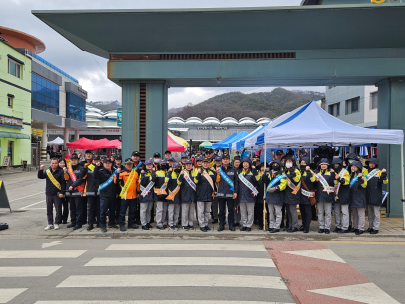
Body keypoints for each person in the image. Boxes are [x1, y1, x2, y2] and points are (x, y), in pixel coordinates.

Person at [38, 158, 66, 230]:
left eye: (55, 163)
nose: (54, 165)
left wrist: (62, 192)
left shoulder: (60, 172)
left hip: (57, 193)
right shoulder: (47, 171)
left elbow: (63, 184)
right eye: (52, 163)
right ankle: (50, 223)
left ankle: (57, 223)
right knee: (49, 210)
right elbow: (40, 176)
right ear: (50, 164)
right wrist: (41, 170)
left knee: (58, 209)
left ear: (58, 164)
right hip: (48, 193)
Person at [94, 157, 120, 233]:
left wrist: (117, 192)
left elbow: (117, 183)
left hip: (113, 195)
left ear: (111, 164)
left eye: (109, 163)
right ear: (104, 164)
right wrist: (96, 167)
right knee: (103, 212)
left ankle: (111, 223)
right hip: (104, 195)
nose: (108, 164)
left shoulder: (114, 171)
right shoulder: (101, 171)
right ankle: (103, 226)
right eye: (106, 163)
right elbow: (95, 176)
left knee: (112, 211)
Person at [365, 157, 388, 235]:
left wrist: (384, 174)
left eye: (373, 163)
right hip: (368, 195)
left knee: (376, 213)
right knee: (370, 213)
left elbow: (385, 182)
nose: (371, 165)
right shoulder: (365, 172)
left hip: (376, 195)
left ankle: (376, 228)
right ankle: (370, 227)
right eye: (370, 163)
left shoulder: (379, 172)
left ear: (376, 164)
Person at [216, 152, 239, 231]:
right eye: (224, 159)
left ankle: (231, 225)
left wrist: (235, 192)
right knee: (221, 211)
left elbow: (236, 182)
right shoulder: (218, 169)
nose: (225, 161)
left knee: (231, 210)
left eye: (227, 159)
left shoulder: (233, 169)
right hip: (221, 193)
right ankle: (221, 224)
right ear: (222, 160)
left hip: (230, 193)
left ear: (229, 160)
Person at [262, 160, 287, 233]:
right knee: (271, 212)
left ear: (279, 166)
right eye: (274, 164)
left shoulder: (282, 174)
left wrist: (276, 188)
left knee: (278, 213)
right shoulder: (269, 173)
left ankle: (277, 227)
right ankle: (271, 226)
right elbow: (264, 180)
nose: (275, 165)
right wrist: (265, 173)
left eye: (277, 164)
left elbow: (283, 185)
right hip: (269, 195)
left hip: (278, 196)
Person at [65, 153, 87, 230]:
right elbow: (66, 179)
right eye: (72, 160)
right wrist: (64, 173)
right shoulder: (68, 169)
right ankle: (73, 222)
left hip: (78, 191)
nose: (73, 161)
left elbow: (81, 179)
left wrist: (73, 186)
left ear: (78, 160)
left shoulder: (81, 168)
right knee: (72, 208)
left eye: (75, 160)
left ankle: (79, 223)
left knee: (79, 208)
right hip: (70, 191)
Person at [237, 157, 260, 232]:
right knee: (243, 211)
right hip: (241, 195)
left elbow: (258, 179)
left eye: (247, 163)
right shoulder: (240, 172)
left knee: (250, 212)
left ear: (250, 164)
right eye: (244, 163)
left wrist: (254, 170)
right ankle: (244, 224)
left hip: (250, 195)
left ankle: (249, 225)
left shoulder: (253, 172)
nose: (245, 164)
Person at [117, 158, 140, 231]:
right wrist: (117, 174)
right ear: (125, 164)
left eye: (130, 164)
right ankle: (122, 224)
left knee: (132, 210)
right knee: (123, 211)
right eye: (128, 164)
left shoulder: (135, 173)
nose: (129, 165)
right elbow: (117, 182)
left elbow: (138, 184)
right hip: (125, 195)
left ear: (132, 164)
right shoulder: (122, 173)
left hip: (133, 195)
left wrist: (138, 192)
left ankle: (131, 223)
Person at [196, 157, 217, 232]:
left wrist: (214, 172)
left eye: (207, 163)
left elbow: (215, 181)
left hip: (209, 194)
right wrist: (199, 173)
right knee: (201, 211)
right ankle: (202, 225)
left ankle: (205, 224)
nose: (205, 164)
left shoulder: (212, 171)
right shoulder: (198, 171)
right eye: (204, 163)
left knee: (207, 211)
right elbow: (196, 181)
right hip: (201, 194)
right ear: (202, 164)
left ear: (209, 163)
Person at [314, 158, 335, 234]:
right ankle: (321, 227)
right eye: (322, 164)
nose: (323, 166)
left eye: (325, 164)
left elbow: (333, 184)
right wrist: (315, 181)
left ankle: (327, 227)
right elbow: (313, 185)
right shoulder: (316, 173)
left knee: (328, 213)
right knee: (320, 212)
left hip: (328, 195)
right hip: (319, 195)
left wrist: (333, 174)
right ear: (319, 165)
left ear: (327, 165)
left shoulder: (331, 172)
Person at [332, 158, 351, 233]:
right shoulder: (333, 172)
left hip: (344, 194)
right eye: (334, 165)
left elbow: (346, 182)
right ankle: (338, 226)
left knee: (344, 212)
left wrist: (339, 178)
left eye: (337, 164)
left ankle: (345, 227)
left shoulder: (345, 172)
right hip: (336, 195)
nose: (336, 166)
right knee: (336, 212)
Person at [178, 159, 199, 229]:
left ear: (192, 165)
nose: (188, 166)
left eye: (190, 164)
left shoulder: (194, 172)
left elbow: (196, 181)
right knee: (185, 212)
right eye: (187, 165)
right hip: (185, 195)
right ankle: (185, 224)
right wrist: (181, 175)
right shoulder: (182, 173)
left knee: (191, 212)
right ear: (185, 166)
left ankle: (190, 224)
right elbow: (178, 182)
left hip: (193, 195)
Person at [349, 161, 368, 235]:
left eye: (355, 167)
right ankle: (356, 227)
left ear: (358, 168)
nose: (353, 168)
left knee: (361, 214)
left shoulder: (363, 176)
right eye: (352, 166)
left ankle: (361, 228)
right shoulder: (350, 175)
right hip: (352, 197)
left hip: (360, 197)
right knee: (354, 214)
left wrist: (360, 179)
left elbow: (364, 185)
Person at [283, 156, 301, 233]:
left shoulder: (296, 170)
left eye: (290, 161)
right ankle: (290, 225)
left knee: (293, 211)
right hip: (286, 193)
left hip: (293, 193)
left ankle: (294, 226)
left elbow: (296, 180)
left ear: (293, 163)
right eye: (287, 161)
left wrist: (292, 172)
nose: (288, 163)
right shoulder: (285, 170)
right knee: (289, 211)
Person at [299, 157, 316, 233]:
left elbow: (313, 180)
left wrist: (308, 171)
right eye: (301, 162)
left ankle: (307, 226)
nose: (302, 164)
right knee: (302, 211)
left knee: (307, 211)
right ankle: (303, 224)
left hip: (308, 194)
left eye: (304, 162)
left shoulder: (311, 172)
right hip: (300, 194)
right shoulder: (299, 171)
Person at [84, 155, 101, 231]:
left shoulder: (102, 168)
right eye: (95, 160)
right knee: (91, 208)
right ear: (92, 161)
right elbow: (82, 176)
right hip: (90, 190)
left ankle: (99, 222)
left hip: (99, 190)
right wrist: (84, 168)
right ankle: (90, 224)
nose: (96, 162)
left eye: (98, 160)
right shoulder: (88, 167)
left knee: (98, 208)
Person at [139, 159, 156, 230]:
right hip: (144, 194)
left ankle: (148, 222)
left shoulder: (154, 172)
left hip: (151, 194)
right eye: (148, 165)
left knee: (149, 210)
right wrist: (142, 174)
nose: (149, 166)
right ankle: (143, 223)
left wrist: (154, 172)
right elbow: (141, 182)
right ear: (145, 166)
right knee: (143, 210)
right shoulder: (143, 173)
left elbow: (154, 180)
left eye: (150, 165)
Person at [166, 162, 182, 230]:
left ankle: (175, 223)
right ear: (172, 168)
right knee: (171, 211)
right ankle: (171, 224)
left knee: (177, 211)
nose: (177, 168)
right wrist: (169, 172)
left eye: (178, 167)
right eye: (175, 167)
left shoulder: (181, 174)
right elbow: (166, 181)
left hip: (178, 196)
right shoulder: (170, 174)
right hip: (171, 195)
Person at [154, 159, 169, 230]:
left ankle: (162, 222)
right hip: (159, 193)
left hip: (166, 194)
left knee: (164, 209)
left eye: (164, 164)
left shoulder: (167, 172)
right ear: (159, 165)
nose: (163, 165)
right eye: (161, 164)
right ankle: (159, 223)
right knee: (159, 209)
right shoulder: (157, 172)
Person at [131, 151, 143, 225]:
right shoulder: (129, 165)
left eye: (137, 156)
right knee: (132, 205)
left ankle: (138, 219)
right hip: (131, 187)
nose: (135, 157)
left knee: (139, 205)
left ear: (139, 157)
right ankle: (132, 219)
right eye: (134, 156)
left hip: (140, 188)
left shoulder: (142, 165)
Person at [254, 163, 266, 230]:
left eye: (264, 167)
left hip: (267, 196)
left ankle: (269, 224)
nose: (263, 168)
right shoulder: (257, 174)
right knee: (259, 211)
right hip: (259, 196)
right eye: (262, 167)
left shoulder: (270, 174)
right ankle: (260, 224)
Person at [211, 155, 222, 224]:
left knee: (221, 205)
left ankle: (221, 217)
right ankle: (215, 217)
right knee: (214, 205)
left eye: (219, 161)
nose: (218, 162)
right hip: (214, 189)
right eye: (216, 161)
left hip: (222, 189)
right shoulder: (211, 169)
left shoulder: (224, 168)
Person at [58, 158, 69, 224]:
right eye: (61, 163)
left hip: (66, 190)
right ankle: (59, 219)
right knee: (58, 206)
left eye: (63, 163)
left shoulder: (68, 170)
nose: (62, 164)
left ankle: (64, 219)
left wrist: (65, 172)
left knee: (66, 206)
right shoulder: (56, 171)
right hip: (59, 190)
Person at [233, 157, 242, 227]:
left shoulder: (242, 170)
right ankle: (234, 220)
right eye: (236, 162)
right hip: (233, 191)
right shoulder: (232, 170)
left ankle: (238, 220)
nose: (237, 164)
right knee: (233, 206)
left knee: (239, 207)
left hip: (241, 191)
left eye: (238, 162)